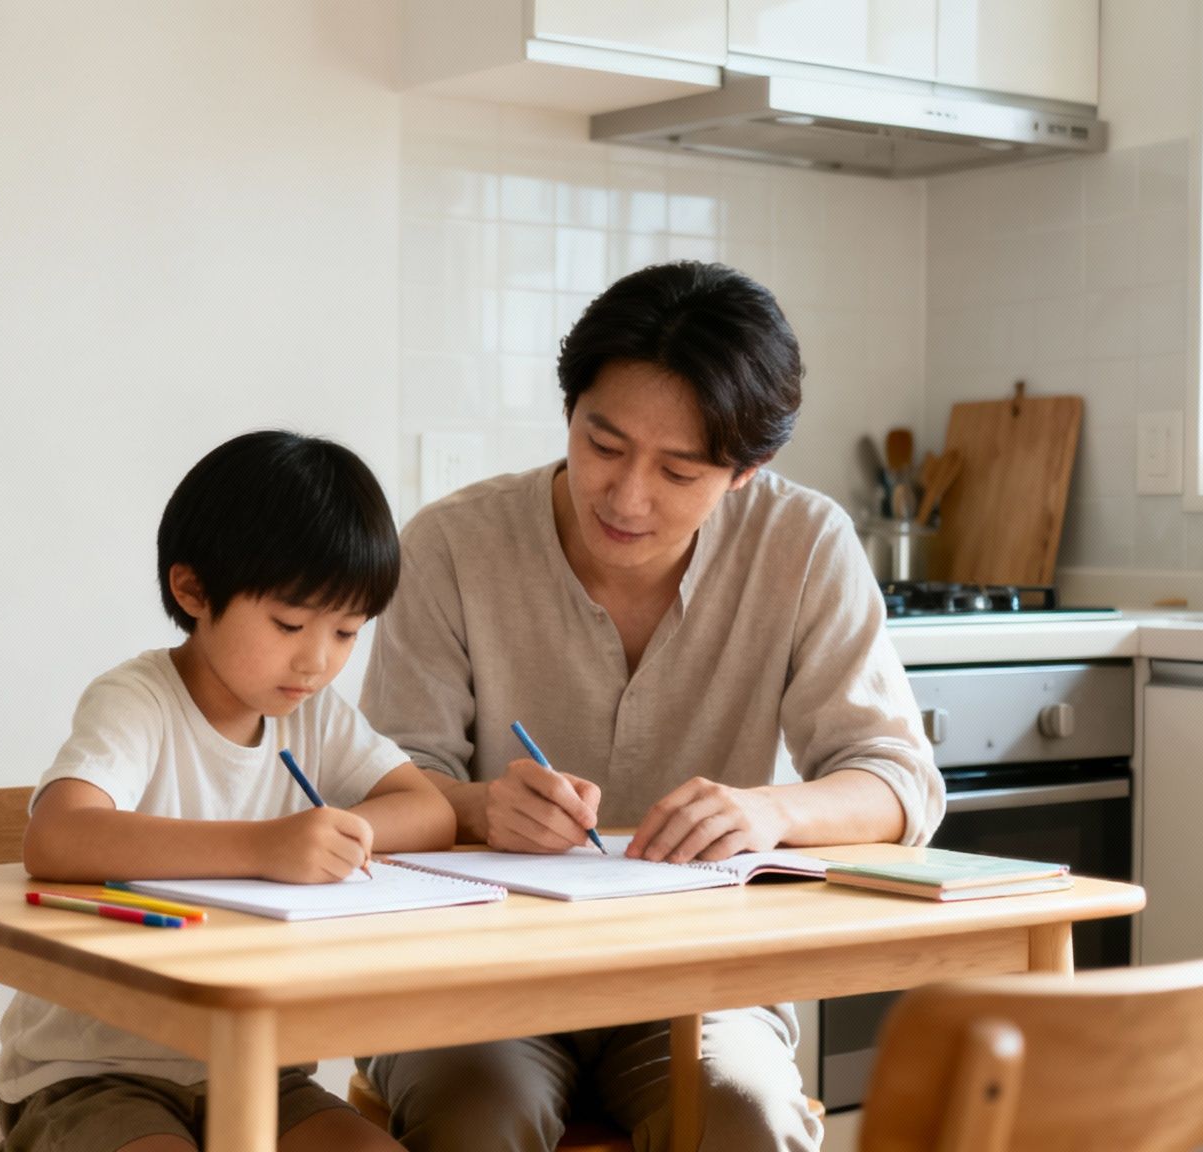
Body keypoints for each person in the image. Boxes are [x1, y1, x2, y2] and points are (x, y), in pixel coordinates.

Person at [356, 261, 943, 1152]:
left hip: (700, 980)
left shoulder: (804, 544)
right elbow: (380, 787)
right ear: (569, 411)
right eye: (603, 446)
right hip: (474, 971)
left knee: (746, 1116)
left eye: (678, 471)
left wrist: (768, 812)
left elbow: (900, 783)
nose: (627, 497)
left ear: (747, 471)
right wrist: (478, 807)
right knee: (477, 1117)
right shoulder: (451, 545)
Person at [0, 430, 458, 1152]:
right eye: (289, 624)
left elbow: (429, 810)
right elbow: (56, 838)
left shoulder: (313, 715)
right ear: (193, 590)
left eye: (346, 632)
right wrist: (264, 848)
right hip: (91, 1075)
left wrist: (339, 834)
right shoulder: (138, 701)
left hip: (256, 1071)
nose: (316, 661)